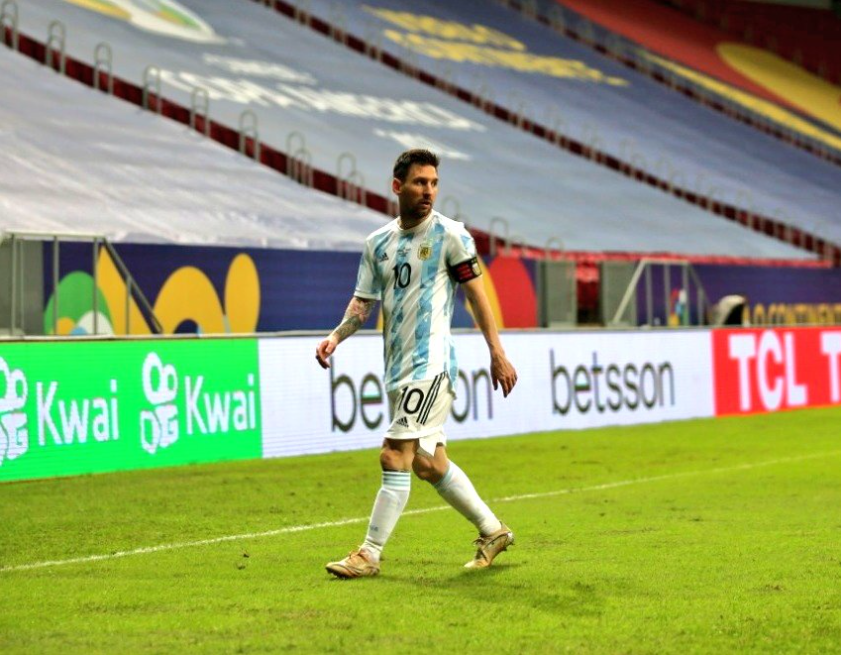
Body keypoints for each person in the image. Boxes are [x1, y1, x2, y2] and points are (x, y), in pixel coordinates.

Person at [315, 149, 518, 578]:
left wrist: (496, 352)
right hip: (397, 369)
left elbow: (478, 296)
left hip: (432, 366)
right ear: (397, 186)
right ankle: (493, 530)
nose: (428, 191)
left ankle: (369, 554)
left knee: (394, 454)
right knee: (428, 464)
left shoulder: (451, 235)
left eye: (433, 183)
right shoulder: (378, 244)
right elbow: (362, 303)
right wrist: (336, 335)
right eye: (419, 183)